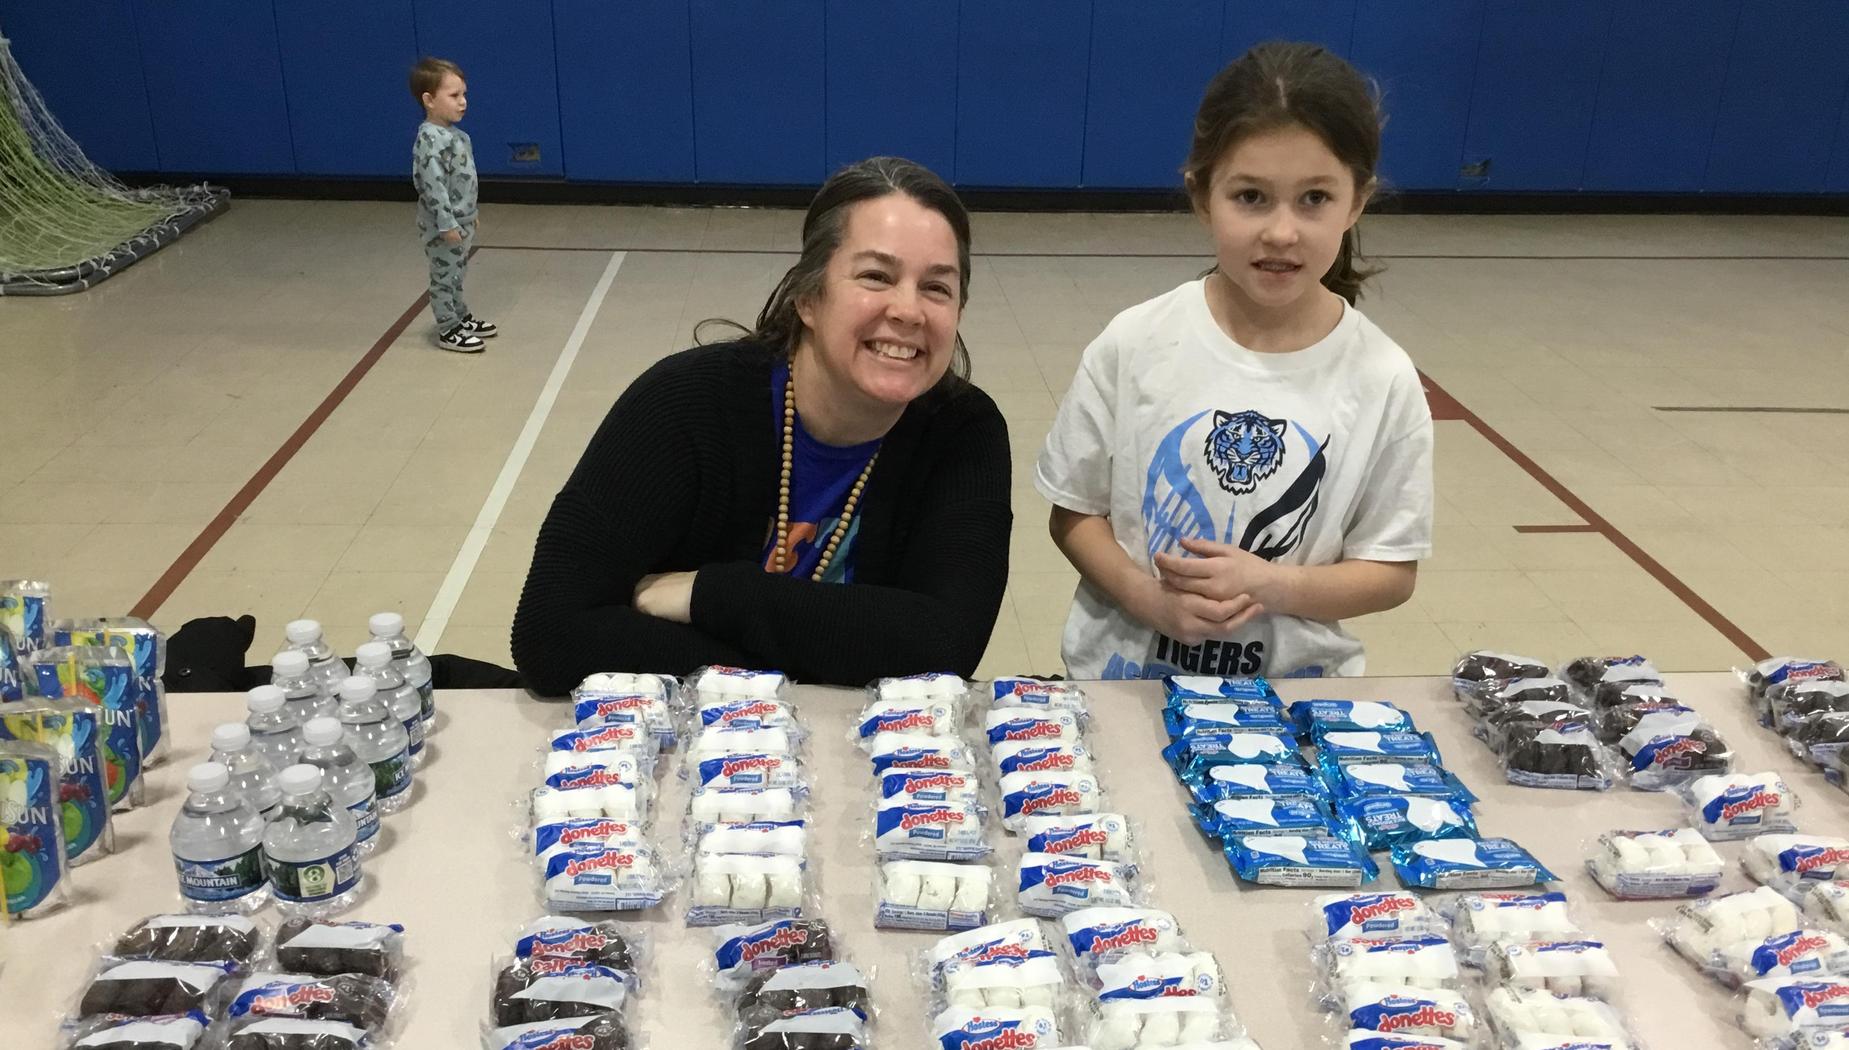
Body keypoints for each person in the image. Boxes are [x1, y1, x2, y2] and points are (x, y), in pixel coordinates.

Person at [511, 157, 1012, 694]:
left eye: (937, 288)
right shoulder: (684, 406)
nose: (909, 311)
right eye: (876, 276)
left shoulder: (964, 431)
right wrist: (829, 652)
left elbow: (945, 644)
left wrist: (709, 597)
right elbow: (551, 633)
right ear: (808, 297)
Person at [1035, 42, 1433, 681]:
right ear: (1202, 196)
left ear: (1357, 201)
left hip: (1292, 699)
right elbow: (1074, 512)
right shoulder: (1135, 342)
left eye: (1314, 199)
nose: (1281, 232)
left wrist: (1273, 584)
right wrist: (1145, 599)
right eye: (1251, 197)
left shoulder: (1382, 377)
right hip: (1125, 684)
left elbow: (1390, 571)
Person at [410, 57, 495, 353]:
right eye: (454, 96)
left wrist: (471, 214)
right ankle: (447, 327)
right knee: (444, 275)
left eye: (464, 95)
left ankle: (460, 315)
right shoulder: (430, 141)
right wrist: (446, 222)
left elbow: (463, 183)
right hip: (443, 226)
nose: (463, 102)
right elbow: (433, 187)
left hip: (462, 221)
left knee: (458, 271)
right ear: (429, 100)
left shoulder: (457, 136)